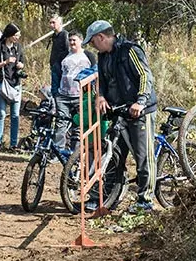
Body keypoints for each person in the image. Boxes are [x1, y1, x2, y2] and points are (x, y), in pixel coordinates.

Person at [84, 19, 157, 212]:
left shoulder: (130, 50)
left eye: (92, 41)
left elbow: (145, 76)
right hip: (119, 111)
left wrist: (140, 101)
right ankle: (106, 197)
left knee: (143, 157)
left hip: (139, 111)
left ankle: (145, 201)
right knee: (112, 155)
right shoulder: (102, 56)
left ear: (101, 37)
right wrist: (100, 96)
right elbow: (101, 81)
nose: (92, 46)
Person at [55, 31, 95, 151]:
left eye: (74, 40)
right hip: (63, 96)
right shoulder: (63, 56)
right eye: (70, 40)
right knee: (61, 123)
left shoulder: (88, 56)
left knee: (79, 124)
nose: (72, 42)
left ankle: (75, 153)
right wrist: (55, 92)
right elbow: (55, 74)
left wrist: (91, 93)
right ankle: (58, 151)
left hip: (81, 96)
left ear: (81, 41)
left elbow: (95, 74)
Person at [0, 23, 25, 151]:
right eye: (16, 35)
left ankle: (13, 144)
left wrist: (21, 65)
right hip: (2, 83)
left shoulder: (18, 47)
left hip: (16, 84)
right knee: (1, 114)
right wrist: (5, 62)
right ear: (9, 35)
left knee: (15, 115)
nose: (17, 38)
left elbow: (22, 61)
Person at [47, 14, 70, 98]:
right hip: (54, 65)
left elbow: (67, 51)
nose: (51, 25)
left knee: (61, 90)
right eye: (50, 23)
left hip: (62, 67)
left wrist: (60, 63)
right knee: (54, 90)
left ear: (60, 23)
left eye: (53, 22)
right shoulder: (54, 35)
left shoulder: (65, 35)